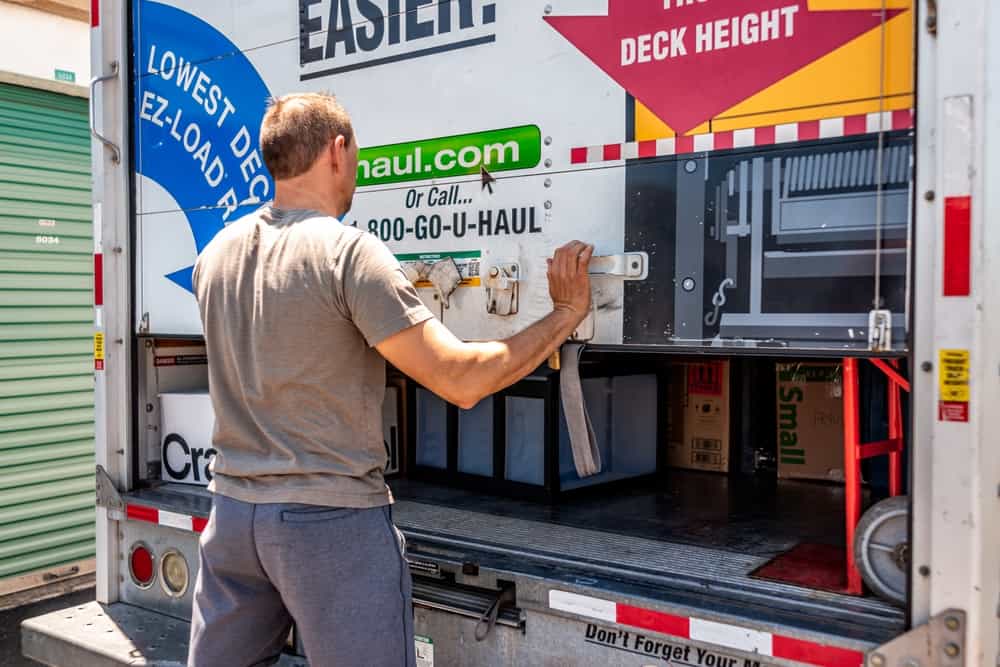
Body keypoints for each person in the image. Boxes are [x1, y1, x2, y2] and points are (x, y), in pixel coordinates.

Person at [187, 92, 594, 667]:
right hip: (326, 524)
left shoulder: (217, 254)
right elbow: (461, 380)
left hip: (230, 518)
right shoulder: (347, 255)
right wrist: (564, 315)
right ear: (337, 150)